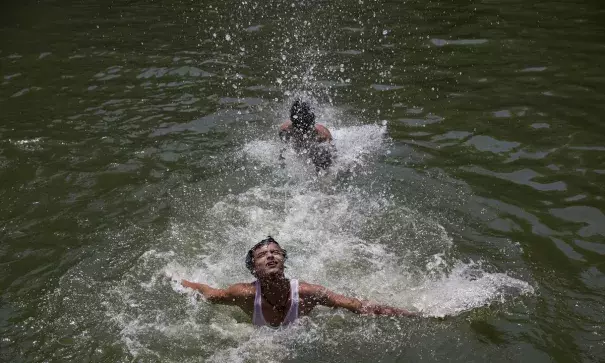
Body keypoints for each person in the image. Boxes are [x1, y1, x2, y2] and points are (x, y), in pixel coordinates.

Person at [181, 236, 419, 328]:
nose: (271, 256)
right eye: (263, 255)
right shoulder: (243, 294)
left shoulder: (308, 292)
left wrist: (411, 314)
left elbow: (357, 306)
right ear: (253, 269)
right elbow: (210, 294)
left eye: (276, 253)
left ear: (284, 260)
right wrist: (181, 282)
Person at [278, 100, 335, 171]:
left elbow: (333, 159)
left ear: (312, 124)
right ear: (293, 123)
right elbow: (284, 151)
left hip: (318, 151)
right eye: (298, 130)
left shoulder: (323, 136)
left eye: (306, 131)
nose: (302, 134)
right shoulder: (285, 131)